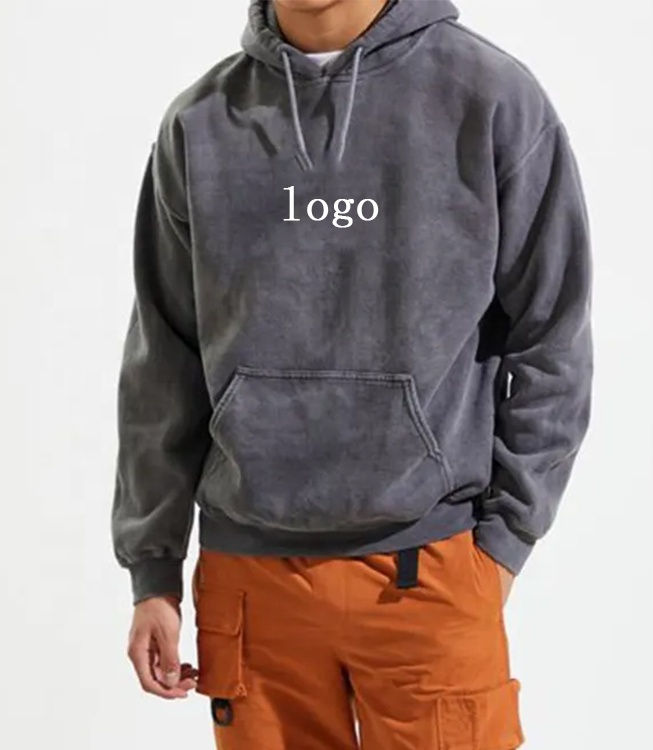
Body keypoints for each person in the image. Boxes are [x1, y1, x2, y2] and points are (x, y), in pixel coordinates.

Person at [111, 0, 593, 747]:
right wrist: (154, 570)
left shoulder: (492, 98)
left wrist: (503, 544)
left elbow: (553, 335)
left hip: (428, 569)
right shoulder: (199, 124)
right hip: (252, 580)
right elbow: (162, 358)